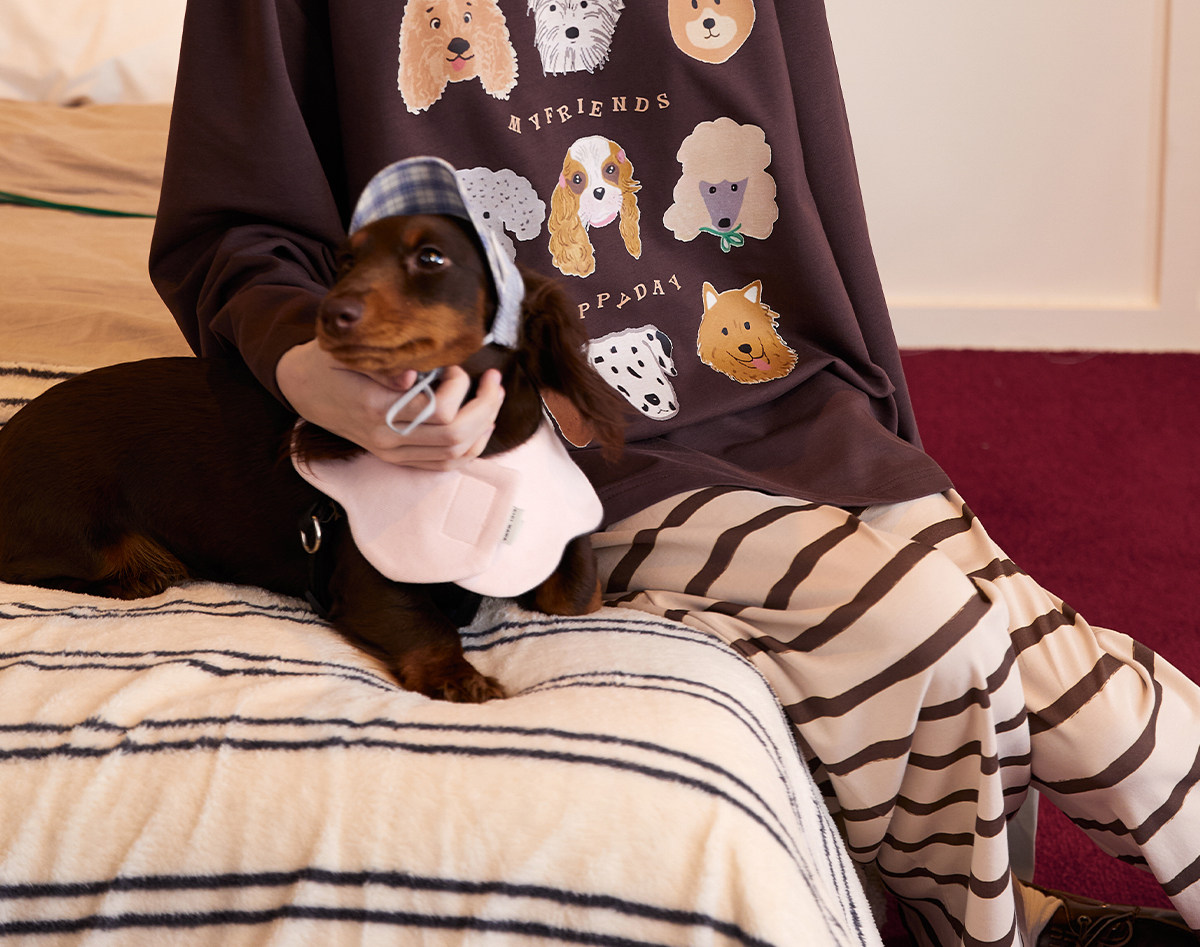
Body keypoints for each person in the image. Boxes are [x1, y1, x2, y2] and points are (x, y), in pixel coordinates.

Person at [148, 2, 1200, 944]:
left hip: (779, 380)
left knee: (1085, 696)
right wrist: (311, 373)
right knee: (935, 629)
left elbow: (814, 176)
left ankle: (1006, 917)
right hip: (549, 436)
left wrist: (883, 430)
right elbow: (231, 226)